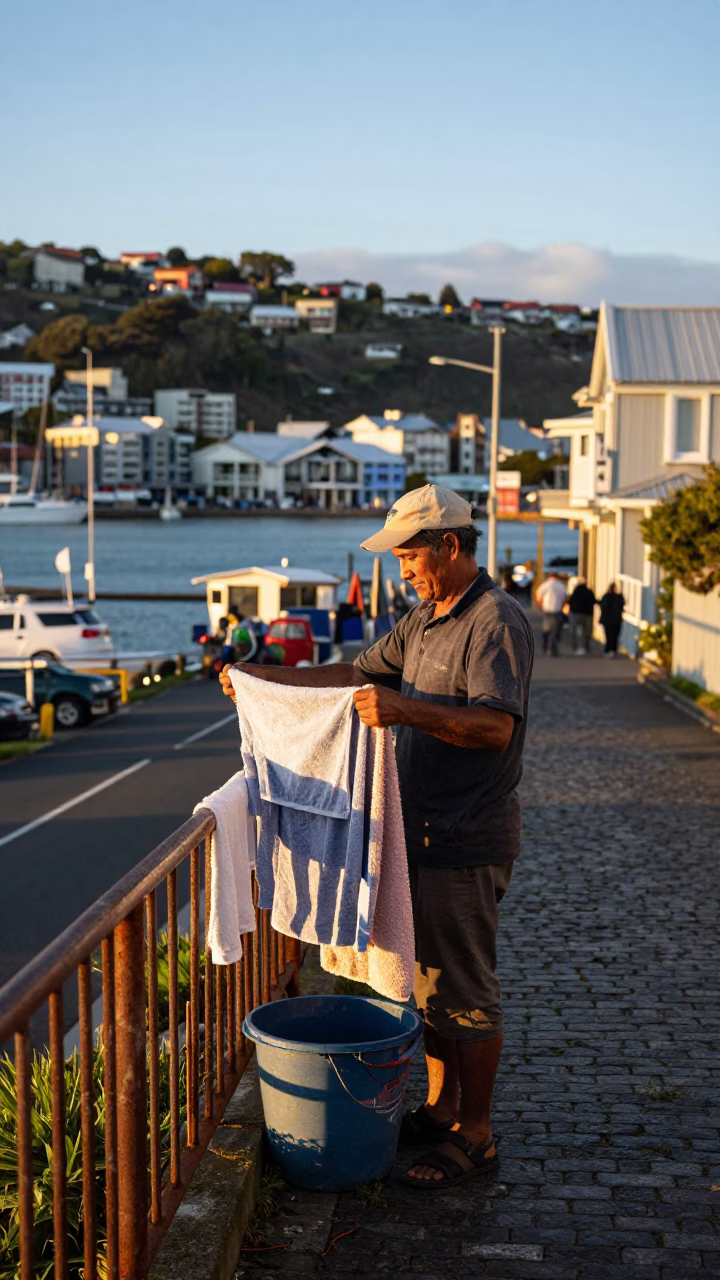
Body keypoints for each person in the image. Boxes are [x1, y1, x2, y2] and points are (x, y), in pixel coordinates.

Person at [220, 484, 533, 1191]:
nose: (402, 569)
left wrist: (403, 711)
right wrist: (261, 679)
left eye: (410, 554)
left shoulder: (494, 622)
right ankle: (440, 1107)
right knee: (429, 988)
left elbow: (494, 727)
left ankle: (477, 1136)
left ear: (450, 546)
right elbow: (354, 674)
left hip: (465, 836)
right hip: (417, 832)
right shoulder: (424, 617)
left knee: (466, 991)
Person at [535, 570, 566, 656]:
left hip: (547, 610)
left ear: (549, 577)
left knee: (546, 629)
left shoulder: (545, 585)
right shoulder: (561, 586)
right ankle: (553, 647)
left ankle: (545, 647)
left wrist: (540, 605)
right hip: (557, 610)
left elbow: (539, 596)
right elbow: (564, 598)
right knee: (556, 630)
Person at [567, 577, 596, 655]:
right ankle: (585, 646)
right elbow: (594, 601)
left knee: (573, 631)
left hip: (575, 613)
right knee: (587, 632)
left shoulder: (575, 592)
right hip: (588, 614)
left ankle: (575, 647)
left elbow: (570, 601)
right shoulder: (589, 592)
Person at [599, 582, 625, 657]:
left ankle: (608, 650)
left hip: (608, 620)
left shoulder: (606, 597)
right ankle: (612, 650)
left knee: (609, 636)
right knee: (614, 636)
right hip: (616, 620)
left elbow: (603, 607)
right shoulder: (619, 597)